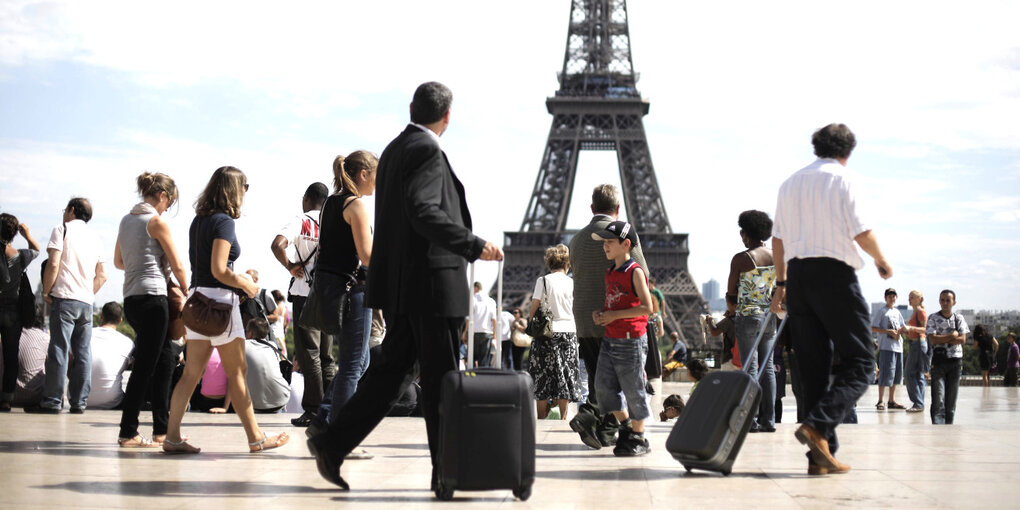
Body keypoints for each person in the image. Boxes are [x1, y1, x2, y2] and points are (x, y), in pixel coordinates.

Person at [307, 82, 503, 491]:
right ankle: (447, 471)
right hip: (431, 285)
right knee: (443, 380)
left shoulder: (395, 150)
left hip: (401, 286)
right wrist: (473, 245)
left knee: (390, 375)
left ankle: (331, 443)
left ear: (413, 109)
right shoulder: (427, 150)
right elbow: (423, 210)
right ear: (447, 116)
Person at [770, 123, 893, 476]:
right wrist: (881, 261)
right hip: (835, 277)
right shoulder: (844, 179)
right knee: (861, 364)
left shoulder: (789, 183)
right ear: (848, 150)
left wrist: (781, 282)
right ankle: (818, 425)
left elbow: (778, 241)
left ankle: (819, 457)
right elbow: (861, 230)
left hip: (798, 277)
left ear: (816, 147)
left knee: (811, 371)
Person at [162, 166, 288, 454]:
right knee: (238, 372)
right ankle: (256, 438)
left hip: (196, 301)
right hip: (220, 304)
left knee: (191, 373)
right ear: (234, 189)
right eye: (245, 187)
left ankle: (172, 437)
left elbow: (205, 268)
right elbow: (220, 270)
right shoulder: (224, 222)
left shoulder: (199, 221)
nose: (246, 192)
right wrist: (245, 283)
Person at [567, 185, 648, 445]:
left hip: (584, 318)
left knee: (597, 375)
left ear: (592, 208)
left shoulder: (577, 239)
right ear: (618, 208)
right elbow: (641, 273)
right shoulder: (622, 235)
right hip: (615, 318)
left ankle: (605, 430)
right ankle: (591, 416)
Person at [113, 172, 188, 446]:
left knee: (165, 358)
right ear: (162, 196)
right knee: (146, 366)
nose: (167, 208)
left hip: (132, 299)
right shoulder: (157, 222)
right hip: (155, 299)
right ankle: (128, 431)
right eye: (169, 202)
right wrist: (187, 291)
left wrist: (140, 261)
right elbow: (178, 264)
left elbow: (119, 261)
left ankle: (161, 428)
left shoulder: (126, 220)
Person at [312, 151, 378, 440]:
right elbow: (366, 255)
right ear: (363, 174)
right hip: (355, 291)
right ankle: (340, 434)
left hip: (334, 290)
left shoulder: (330, 203)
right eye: (377, 175)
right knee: (353, 366)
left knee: (359, 362)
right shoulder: (357, 205)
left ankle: (325, 416)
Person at [585, 220, 654, 456]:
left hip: (631, 339)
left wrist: (614, 315)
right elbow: (615, 301)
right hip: (611, 337)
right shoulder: (610, 272)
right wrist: (603, 315)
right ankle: (627, 427)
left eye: (609, 242)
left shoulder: (635, 271)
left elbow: (647, 307)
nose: (605, 246)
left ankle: (640, 437)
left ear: (626, 244)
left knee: (634, 389)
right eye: (603, 242)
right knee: (602, 388)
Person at [31, 198, 107, 413]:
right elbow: (102, 275)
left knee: (59, 349)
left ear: (71, 210)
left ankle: (53, 400)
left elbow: (53, 263)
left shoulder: (62, 229)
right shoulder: (96, 237)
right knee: (83, 353)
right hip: (86, 302)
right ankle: (79, 402)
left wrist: (47, 291)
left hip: (64, 297)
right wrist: (86, 292)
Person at [270, 182, 332, 427]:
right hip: (329, 296)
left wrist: (290, 266)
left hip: (304, 294)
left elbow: (277, 245)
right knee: (327, 356)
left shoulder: (300, 220)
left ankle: (314, 410)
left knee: (309, 354)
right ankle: (330, 408)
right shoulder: (332, 223)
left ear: (307, 198)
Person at [726, 209, 778, 432]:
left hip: (748, 315)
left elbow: (730, 295)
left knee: (750, 368)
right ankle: (770, 420)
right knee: (767, 368)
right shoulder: (777, 255)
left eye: (742, 232)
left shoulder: (741, 259)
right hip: (769, 316)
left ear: (747, 233)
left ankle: (752, 419)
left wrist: (731, 309)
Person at [527, 244, 582, 420]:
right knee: (565, 375)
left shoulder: (543, 281)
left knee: (542, 375)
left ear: (549, 262)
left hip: (546, 334)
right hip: (569, 332)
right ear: (568, 264)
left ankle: (541, 418)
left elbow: (534, 309)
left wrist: (531, 322)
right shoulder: (572, 283)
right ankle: (563, 418)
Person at [0, 213, 40, 411]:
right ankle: (6, 399)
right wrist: (27, 234)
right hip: (12, 312)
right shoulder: (20, 256)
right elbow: (37, 250)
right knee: (10, 356)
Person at [925, 289, 969, 424]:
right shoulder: (933, 317)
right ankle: (938, 427)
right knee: (938, 398)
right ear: (939, 301)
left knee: (951, 401)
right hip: (939, 361)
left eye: (948, 300)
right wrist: (951, 336)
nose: (945, 303)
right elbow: (933, 339)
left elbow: (962, 339)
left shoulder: (958, 318)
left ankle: (948, 428)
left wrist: (942, 338)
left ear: (953, 302)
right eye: (942, 300)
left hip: (955, 362)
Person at [87, 302, 134, 410]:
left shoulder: (83, 335)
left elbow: (70, 365)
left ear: (101, 316)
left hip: (79, 398)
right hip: (112, 400)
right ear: (120, 320)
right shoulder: (127, 343)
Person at [243, 318, 290, 413]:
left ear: (251, 333)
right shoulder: (273, 346)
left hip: (256, 404)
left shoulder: (243, 344)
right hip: (281, 398)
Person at [872, 288, 907, 411]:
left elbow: (902, 326)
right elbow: (873, 327)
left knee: (897, 375)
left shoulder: (897, 312)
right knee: (885, 373)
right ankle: (880, 400)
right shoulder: (882, 311)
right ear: (885, 298)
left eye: (893, 296)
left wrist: (904, 330)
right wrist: (887, 331)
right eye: (889, 296)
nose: (892, 298)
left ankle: (891, 400)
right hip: (886, 347)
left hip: (898, 347)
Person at [11, 305, 48, 406]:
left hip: (9, 397)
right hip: (36, 398)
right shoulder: (45, 338)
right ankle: (56, 400)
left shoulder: (9, 337)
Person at [903, 290, 930, 411]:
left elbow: (925, 329)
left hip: (918, 344)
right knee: (919, 375)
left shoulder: (921, 312)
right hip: (915, 344)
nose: (910, 299)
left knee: (909, 373)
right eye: (909, 297)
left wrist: (911, 328)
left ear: (919, 299)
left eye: (912, 297)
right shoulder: (915, 312)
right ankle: (919, 403)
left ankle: (918, 402)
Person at [467, 282, 496, 367]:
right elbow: (494, 319)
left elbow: (468, 318)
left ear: (475, 288)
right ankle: (483, 375)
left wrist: (465, 332)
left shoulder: (472, 299)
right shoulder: (491, 301)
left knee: (472, 357)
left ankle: (472, 376)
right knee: (484, 358)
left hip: (474, 332)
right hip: (487, 332)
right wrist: (495, 333)